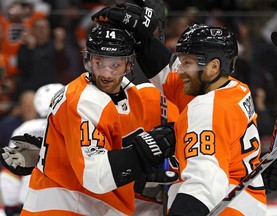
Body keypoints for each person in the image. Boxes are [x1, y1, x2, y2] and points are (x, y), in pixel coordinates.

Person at [92, 4, 271, 215]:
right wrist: (141, 38)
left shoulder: (205, 110)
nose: (180, 70)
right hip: (248, 201)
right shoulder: (235, 89)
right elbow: (168, 74)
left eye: (187, 63)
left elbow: (203, 186)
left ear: (213, 66)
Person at [0, 23, 177, 216]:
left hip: (96, 206)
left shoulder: (137, 95)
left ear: (128, 64)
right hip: (64, 208)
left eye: (115, 65)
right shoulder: (83, 99)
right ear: (89, 61)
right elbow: (95, 176)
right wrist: (145, 153)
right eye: (99, 63)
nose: (106, 73)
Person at [0, 83, 64, 216]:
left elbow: (11, 175)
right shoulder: (78, 128)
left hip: (30, 201)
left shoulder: (25, 129)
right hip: (68, 203)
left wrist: (11, 207)